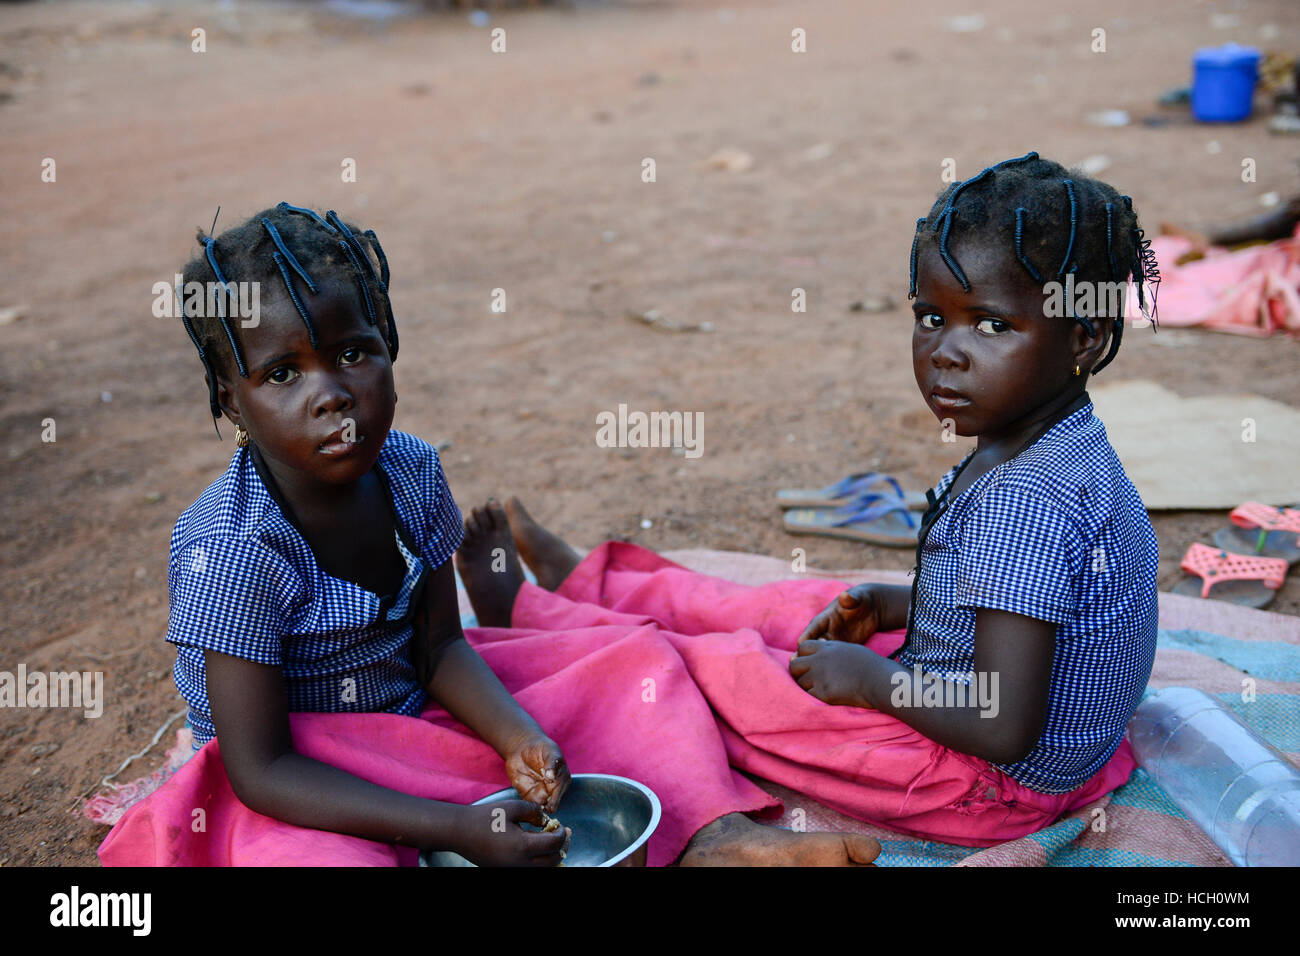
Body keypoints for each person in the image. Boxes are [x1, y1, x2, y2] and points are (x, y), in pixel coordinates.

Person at [106, 202, 878, 867]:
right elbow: (260, 768)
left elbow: (441, 647)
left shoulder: (408, 471)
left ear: (390, 344)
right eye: (283, 374)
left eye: (352, 353)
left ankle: (716, 837)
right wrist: (452, 828)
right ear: (229, 401)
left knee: (634, 667)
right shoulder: (232, 549)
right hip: (301, 770)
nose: (333, 395)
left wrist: (518, 737)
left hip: (412, 711)